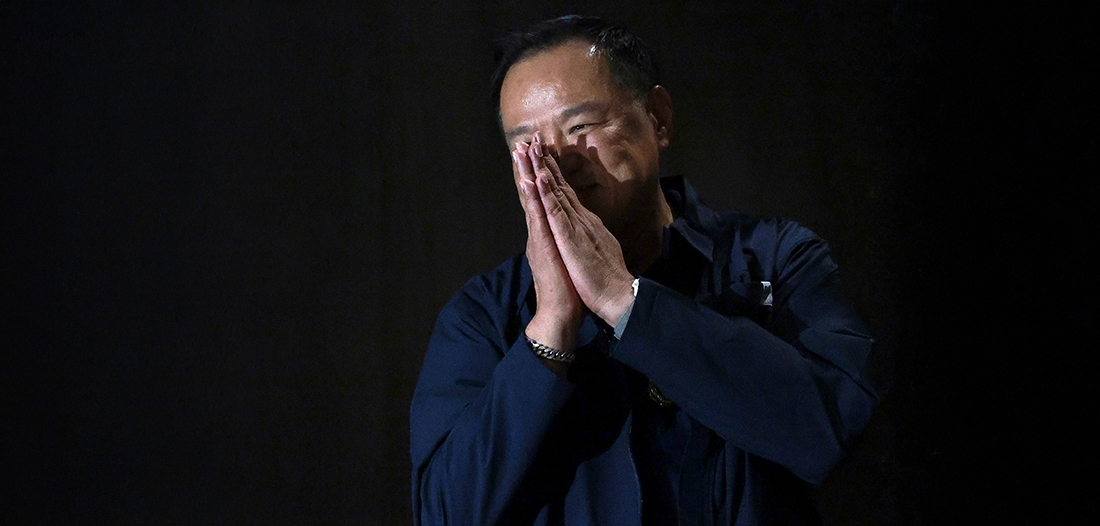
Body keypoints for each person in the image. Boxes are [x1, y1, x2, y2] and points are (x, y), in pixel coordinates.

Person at [410, 15, 878, 525]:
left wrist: (623, 300)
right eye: (528, 146)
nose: (557, 163)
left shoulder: (775, 258)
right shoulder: (483, 314)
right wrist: (550, 330)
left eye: (580, 127)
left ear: (658, 119)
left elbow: (830, 430)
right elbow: (444, 514)